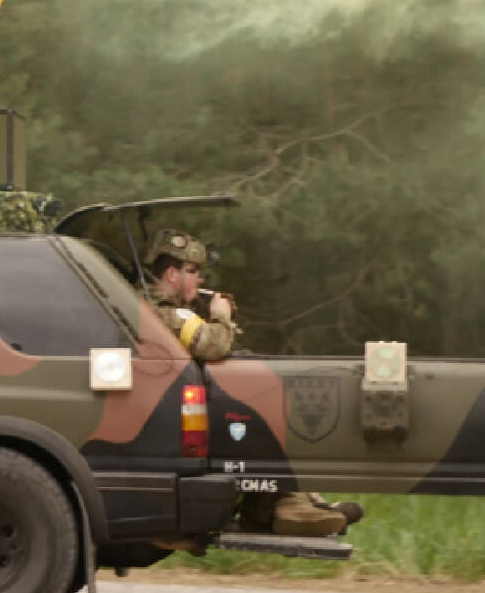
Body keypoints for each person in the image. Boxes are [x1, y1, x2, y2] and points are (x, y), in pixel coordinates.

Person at [141, 229, 359, 539]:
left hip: (174, 412)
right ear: (172, 273)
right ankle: (283, 504)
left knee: (256, 393)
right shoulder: (159, 310)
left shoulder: (162, 309)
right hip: (168, 419)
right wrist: (221, 317)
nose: (200, 280)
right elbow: (212, 345)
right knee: (257, 400)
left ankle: (296, 499)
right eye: (194, 271)